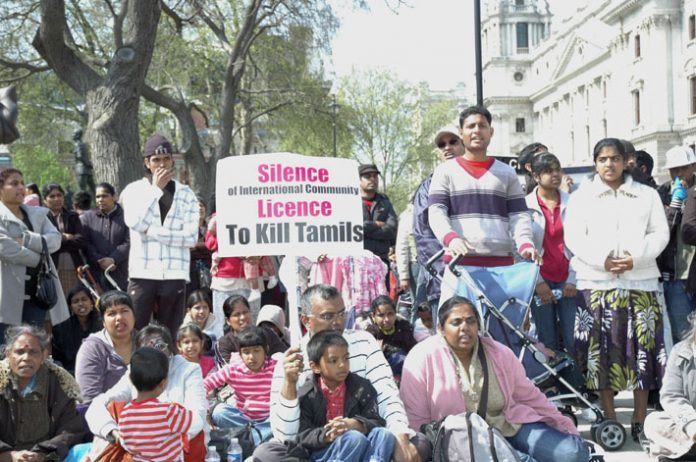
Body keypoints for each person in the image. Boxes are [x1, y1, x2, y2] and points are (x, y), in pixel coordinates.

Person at [565, 137, 669, 442]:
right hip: (596, 284)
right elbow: (574, 236)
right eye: (602, 159)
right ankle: (608, 418)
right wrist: (603, 260)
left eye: (614, 158)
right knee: (600, 355)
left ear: (626, 161)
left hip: (641, 282)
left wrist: (636, 259)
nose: (609, 164)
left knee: (643, 354)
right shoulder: (582, 197)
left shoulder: (647, 196)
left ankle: (640, 420)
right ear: (595, 163)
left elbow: (659, 233)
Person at [400, 296, 588, 462]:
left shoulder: (499, 353)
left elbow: (530, 395)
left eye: (470, 321)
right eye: (456, 322)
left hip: (507, 424)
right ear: (441, 328)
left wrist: (561, 423)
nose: (465, 328)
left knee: (572, 453)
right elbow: (417, 419)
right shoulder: (421, 357)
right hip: (460, 440)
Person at [254, 284, 429, 462]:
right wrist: (289, 385)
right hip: (316, 448)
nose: (338, 322)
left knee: (418, 443)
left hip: (364, 438)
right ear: (306, 320)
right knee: (267, 454)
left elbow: (387, 396)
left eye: (341, 313)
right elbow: (286, 436)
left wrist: (397, 436)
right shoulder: (291, 360)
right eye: (328, 316)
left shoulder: (364, 342)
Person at [428, 106, 537, 304]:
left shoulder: (507, 173)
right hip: (459, 267)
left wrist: (525, 243)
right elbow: (436, 212)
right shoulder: (444, 171)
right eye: (470, 126)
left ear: (491, 132)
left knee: (500, 329)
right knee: (457, 329)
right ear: (461, 133)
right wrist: (451, 239)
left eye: (482, 126)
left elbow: (519, 215)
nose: (477, 130)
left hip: (501, 269)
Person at [85, 323, 208, 461]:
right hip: (140, 450)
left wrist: (161, 438)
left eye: (160, 347)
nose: (154, 357)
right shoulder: (136, 369)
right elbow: (96, 406)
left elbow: (198, 417)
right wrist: (114, 433)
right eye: (147, 351)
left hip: (180, 448)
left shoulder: (189, 369)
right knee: (113, 407)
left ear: (171, 350)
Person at [120, 134, 199, 336]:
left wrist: (152, 232)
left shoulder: (186, 193)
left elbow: (190, 238)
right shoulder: (134, 191)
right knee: (134, 330)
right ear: (147, 163)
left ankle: (168, 367)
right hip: (143, 271)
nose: (161, 164)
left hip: (175, 272)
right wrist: (156, 191)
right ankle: (133, 367)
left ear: (172, 160)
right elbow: (135, 222)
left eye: (166, 159)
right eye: (156, 160)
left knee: (170, 333)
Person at [288, 330, 396, 462]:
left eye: (346, 358)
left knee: (384, 434)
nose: (342, 365)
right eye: (333, 360)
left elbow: (377, 421)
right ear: (315, 367)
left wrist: (356, 424)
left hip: (358, 446)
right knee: (354, 439)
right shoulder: (308, 395)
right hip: (325, 452)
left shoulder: (361, 387)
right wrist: (328, 434)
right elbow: (302, 435)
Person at [0, 169, 70, 340]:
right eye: (14, 183)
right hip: (6, 297)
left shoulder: (36, 214)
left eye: (22, 183)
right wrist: (40, 259)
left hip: (37, 295)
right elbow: (6, 248)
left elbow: (55, 240)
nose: (21, 187)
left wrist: (28, 239)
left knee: (32, 345)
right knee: (6, 350)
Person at [0, 325, 84, 460]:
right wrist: (9, 456)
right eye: (19, 352)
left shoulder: (58, 381)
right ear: (8, 354)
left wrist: (41, 455)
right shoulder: (1, 379)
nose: (26, 357)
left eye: (33, 352)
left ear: (44, 355)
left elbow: (70, 428)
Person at [525, 153, 577, 357]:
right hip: (540, 280)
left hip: (568, 279)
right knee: (546, 340)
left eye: (557, 169)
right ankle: (552, 387)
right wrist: (537, 282)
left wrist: (573, 279)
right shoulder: (525, 206)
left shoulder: (573, 203)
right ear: (536, 176)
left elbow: (582, 243)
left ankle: (578, 385)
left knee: (574, 337)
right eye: (548, 171)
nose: (555, 175)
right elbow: (520, 248)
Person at [412, 125, 465, 319]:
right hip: (445, 281)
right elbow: (423, 235)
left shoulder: (483, 179)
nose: (447, 148)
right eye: (442, 144)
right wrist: (448, 272)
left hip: (483, 278)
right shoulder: (428, 187)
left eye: (453, 142)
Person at [204, 326, 278, 444]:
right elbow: (204, 385)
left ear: (266, 350)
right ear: (240, 353)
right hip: (243, 420)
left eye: (256, 351)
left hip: (270, 419)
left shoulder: (276, 367)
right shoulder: (234, 369)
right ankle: (258, 437)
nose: (251, 357)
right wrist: (206, 414)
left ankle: (250, 438)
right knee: (219, 412)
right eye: (246, 352)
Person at [117, 347, 193, 462]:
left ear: (131, 379)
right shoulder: (168, 411)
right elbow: (187, 421)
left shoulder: (125, 413)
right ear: (163, 383)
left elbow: (125, 443)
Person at [657, 146, 696, 344]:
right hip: (675, 274)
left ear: (693, 166)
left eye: (683, 168)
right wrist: (674, 205)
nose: (679, 174)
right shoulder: (662, 192)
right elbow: (661, 231)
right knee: (682, 336)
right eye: (674, 170)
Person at [644, 313, 696, 460]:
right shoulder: (680, 351)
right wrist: (692, 424)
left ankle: (679, 453)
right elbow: (671, 396)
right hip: (689, 422)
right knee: (653, 422)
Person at [75, 290, 136, 405]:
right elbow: (88, 398)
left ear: (134, 316)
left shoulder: (145, 341)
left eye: (124, 311)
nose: (119, 317)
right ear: (103, 322)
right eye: (112, 313)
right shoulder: (92, 348)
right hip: (105, 417)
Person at [80, 182, 129, 291]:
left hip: (122, 272)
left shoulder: (127, 216)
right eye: (97, 197)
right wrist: (99, 260)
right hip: (97, 274)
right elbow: (86, 243)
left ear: (114, 197)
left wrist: (113, 259)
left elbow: (129, 242)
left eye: (104, 196)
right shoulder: (88, 218)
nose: (100, 200)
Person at [215, 295, 286, 365]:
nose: (243, 317)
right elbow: (228, 370)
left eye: (245, 312)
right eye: (237, 314)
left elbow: (284, 356)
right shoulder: (224, 343)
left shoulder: (267, 333)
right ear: (228, 320)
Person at [42, 183, 86, 294]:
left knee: (73, 297)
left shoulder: (72, 216)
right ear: (44, 200)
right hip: (50, 266)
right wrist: (63, 237)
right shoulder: (41, 218)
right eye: (52, 196)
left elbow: (81, 241)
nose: (57, 198)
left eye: (59, 195)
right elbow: (42, 243)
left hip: (72, 265)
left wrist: (56, 242)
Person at [51, 285, 102, 374]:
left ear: (91, 303)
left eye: (84, 299)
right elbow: (57, 360)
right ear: (71, 307)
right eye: (75, 301)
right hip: (71, 375)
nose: (80, 304)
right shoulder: (60, 329)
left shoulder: (103, 325)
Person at [365, 295, 416, 378]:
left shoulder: (404, 328)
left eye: (390, 314)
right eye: (381, 315)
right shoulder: (370, 336)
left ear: (395, 313)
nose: (387, 319)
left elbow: (414, 353)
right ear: (373, 316)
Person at [359, 163, 398, 266]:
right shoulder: (351, 201)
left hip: (381, 260)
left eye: (375, 176)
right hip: (358, 260)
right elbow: (352, 230)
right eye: (367, 176)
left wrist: (366, 233)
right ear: (358, 180)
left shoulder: (385, 202)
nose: (373, 179)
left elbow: (392, 229)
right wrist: (375, 225)